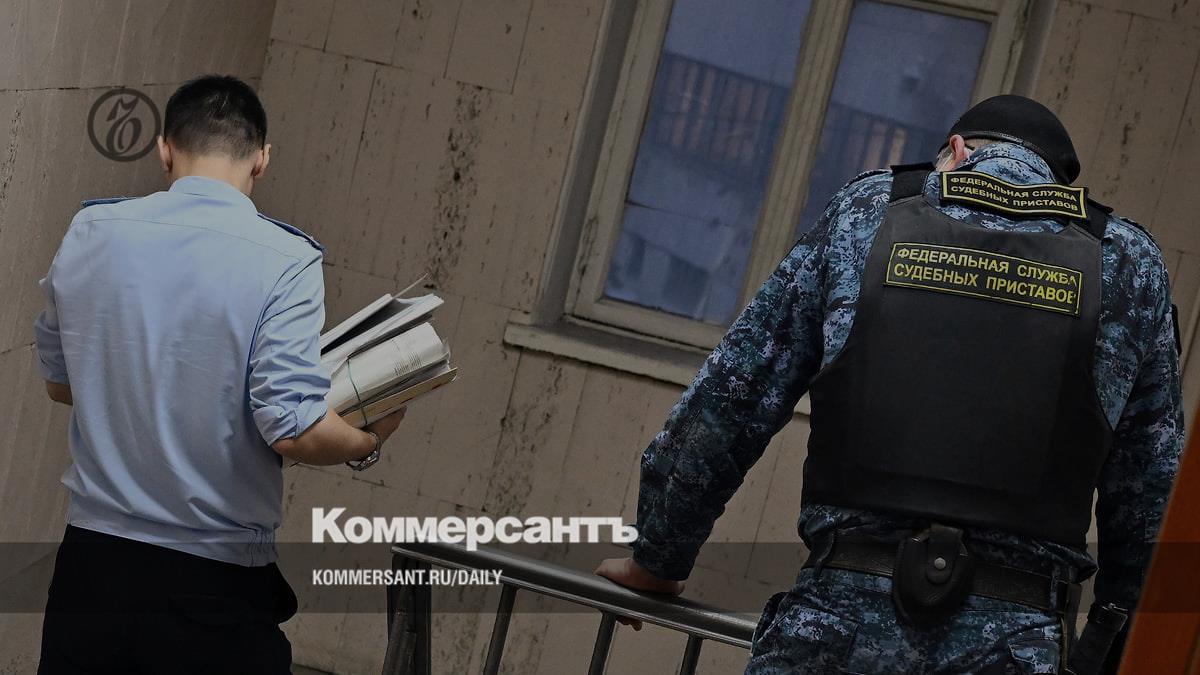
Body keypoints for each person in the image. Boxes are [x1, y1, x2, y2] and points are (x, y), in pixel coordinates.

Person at [596, 95, 1184, 674]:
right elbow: (1149, 492)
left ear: (955, 152)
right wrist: (1110, 647)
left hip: (833, 632)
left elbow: (733, 395)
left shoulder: (868, 210)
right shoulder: (1127, 263)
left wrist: (657, 557)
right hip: (1015, 644)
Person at [33, 75, 406, 674]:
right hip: (211, 580)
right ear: (261, 160)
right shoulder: (287, 261)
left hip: (91, 567)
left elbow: (61, 383)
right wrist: (367, 441)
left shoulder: (91, 231)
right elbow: (293, 428)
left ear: (164, 149)